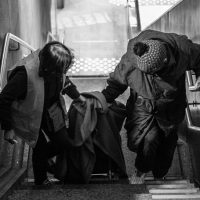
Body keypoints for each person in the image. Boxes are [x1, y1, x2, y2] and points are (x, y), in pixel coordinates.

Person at [102, 29, 200, 182]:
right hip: (143, 104)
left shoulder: (183, 49)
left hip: (172, 105)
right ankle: (141, 170)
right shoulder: (132, 58)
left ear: (166, 60)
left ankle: (159, 176)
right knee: (148, 139)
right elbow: (117, 81)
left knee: (168, 145)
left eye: (155, 71)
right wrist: (103, 99)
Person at [0, 41, 85, 185]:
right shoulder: (24, 75)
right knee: (39, 146)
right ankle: (41, 180)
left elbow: (65, 80)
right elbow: (3, 99)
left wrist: (78, 96)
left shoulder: (56, 66)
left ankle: (43, 159)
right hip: (29, 113)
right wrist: (7, 128)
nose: (64, 72)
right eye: (61, 70)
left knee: (63, 143)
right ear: (49, 68)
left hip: (50, 108)